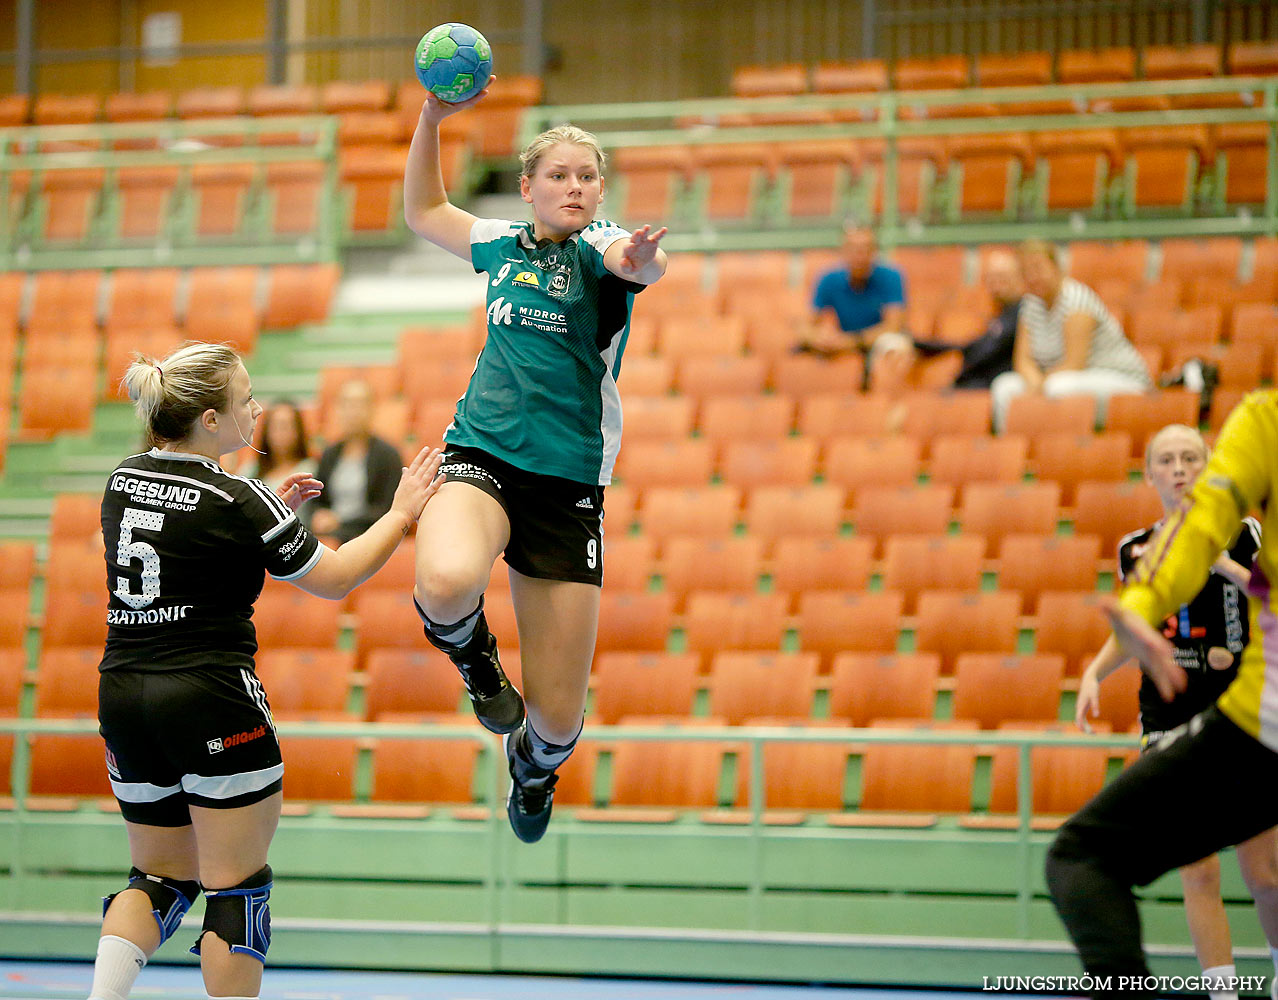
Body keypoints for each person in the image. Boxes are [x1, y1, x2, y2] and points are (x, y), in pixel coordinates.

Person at [90, 342, 442, 1000]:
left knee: (159, 877)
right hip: (211, 699)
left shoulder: (122, 479)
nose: (256, 407)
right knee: (237, 888)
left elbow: (191, 536)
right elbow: (334, 578)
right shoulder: (239, 498)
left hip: (124, 697)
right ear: (212, 422)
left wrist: (265, 514)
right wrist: (402, 513)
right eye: (244, 397)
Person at [402, 82, 667, 844]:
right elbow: (423, 212)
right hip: (482, 454)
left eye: (586, 176)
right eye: (558, 175)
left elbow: (635, 261)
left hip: (567, 487)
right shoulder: (498, 243)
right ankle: (479, 668)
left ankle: (534, 768)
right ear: (528, 188)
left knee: (556, 722)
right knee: (446, 582)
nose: (574, 187)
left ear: (600, 190)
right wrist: (432, 119)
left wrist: (642, 257)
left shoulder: (601, 248)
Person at [1046, 389, 1278, 1000]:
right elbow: (1137, 622)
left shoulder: (1250, 534)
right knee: (1195, 867)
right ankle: (1221, 990)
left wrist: (1225, 563)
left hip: (1244, 708)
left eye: (1190, 459)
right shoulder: (1138, 549)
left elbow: (1253, 581)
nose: (1180, 470)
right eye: (1167, 461)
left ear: (1211, 466)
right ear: (1150, 475)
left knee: (1266, 871)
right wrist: (1098, 670)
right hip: (1169, 710)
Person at [990, 240, 1150, 432]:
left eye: (1037, 268)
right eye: (1025, 272)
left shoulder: (1076, 300)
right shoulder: (1030, 304)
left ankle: (1063, 446)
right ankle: (1013, 447)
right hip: (1055, 380)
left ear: (1056, 267)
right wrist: (1035, 383)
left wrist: (1041, 386)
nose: (1032, 277)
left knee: (1059, 387)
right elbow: (1023, 360)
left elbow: (1074, 363)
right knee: (1004, 386)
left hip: (1120, 380)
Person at [801, 224, 910, 391]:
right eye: (854, 249)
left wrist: (851, 341)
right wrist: (819, 338)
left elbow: (893, 326)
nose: (860, 256)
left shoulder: (892, 276)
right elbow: (805, 325)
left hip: (875, 343)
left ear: (874, 251)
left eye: (866, 249)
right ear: (843, 251)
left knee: (896, 345)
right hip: (843, 342)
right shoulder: (828, 279)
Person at [308, 379, 402, 543]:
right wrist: (319, 516)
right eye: (346, 404)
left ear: (372, 409)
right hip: (329, 535)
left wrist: (340, 520)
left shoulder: (388, 455)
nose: (352, 411)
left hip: (369, 535)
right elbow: (316, 500)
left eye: (359, 404)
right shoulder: (329, 454)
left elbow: (388, 508)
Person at [949, 249, 1023, 391]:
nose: (996, 285)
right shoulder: (999, 312)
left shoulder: (1025, 310)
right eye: (991, 279)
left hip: (999, 385)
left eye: (1002, 278)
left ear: (1019, 277)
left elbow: (984, 351)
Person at [249, 399, 314, 494]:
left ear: (298, 431)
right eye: (275, 426)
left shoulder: (310, 471)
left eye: (285, 426)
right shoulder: (251, 470)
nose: (280, 434)